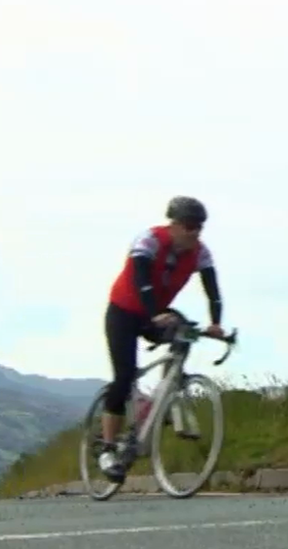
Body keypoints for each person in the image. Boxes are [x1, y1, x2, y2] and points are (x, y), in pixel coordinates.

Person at [98, 195, 226, 483]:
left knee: (185, 333)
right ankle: (107, 449)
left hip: (158, 312)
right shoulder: (149, 240)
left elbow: (213, 290)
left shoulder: (200, 253)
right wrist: (155, 314)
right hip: (124, 312)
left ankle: (163, 397)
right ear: (174, 224)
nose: (195, 232)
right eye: (190, 226)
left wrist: (216, 323)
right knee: (124, 375)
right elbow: (141, 281)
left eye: (200, 227)